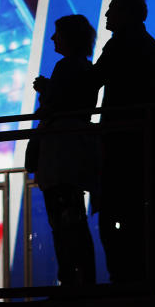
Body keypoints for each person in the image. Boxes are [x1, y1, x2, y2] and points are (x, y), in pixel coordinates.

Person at [92, 0, 155, 292]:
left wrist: (56, 88)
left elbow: (92, 81)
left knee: (115, 215)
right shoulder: (153, 50)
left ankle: (123, 280)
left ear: (126, 13)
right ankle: (145, 281)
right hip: (147, 146)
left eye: (112, 10)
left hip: (122, 147)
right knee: (146, 215)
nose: (107, 16)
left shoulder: (119, 46)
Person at [30, 14, 99, 287]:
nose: (52, 38)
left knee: (63, 222)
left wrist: (47, 92)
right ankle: (83, 280)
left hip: (61, 153)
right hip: (75, 151)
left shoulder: (65, 67)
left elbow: (56, 105)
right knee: (74, 219)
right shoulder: (84, 67)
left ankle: (71, 281)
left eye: (57, 33)